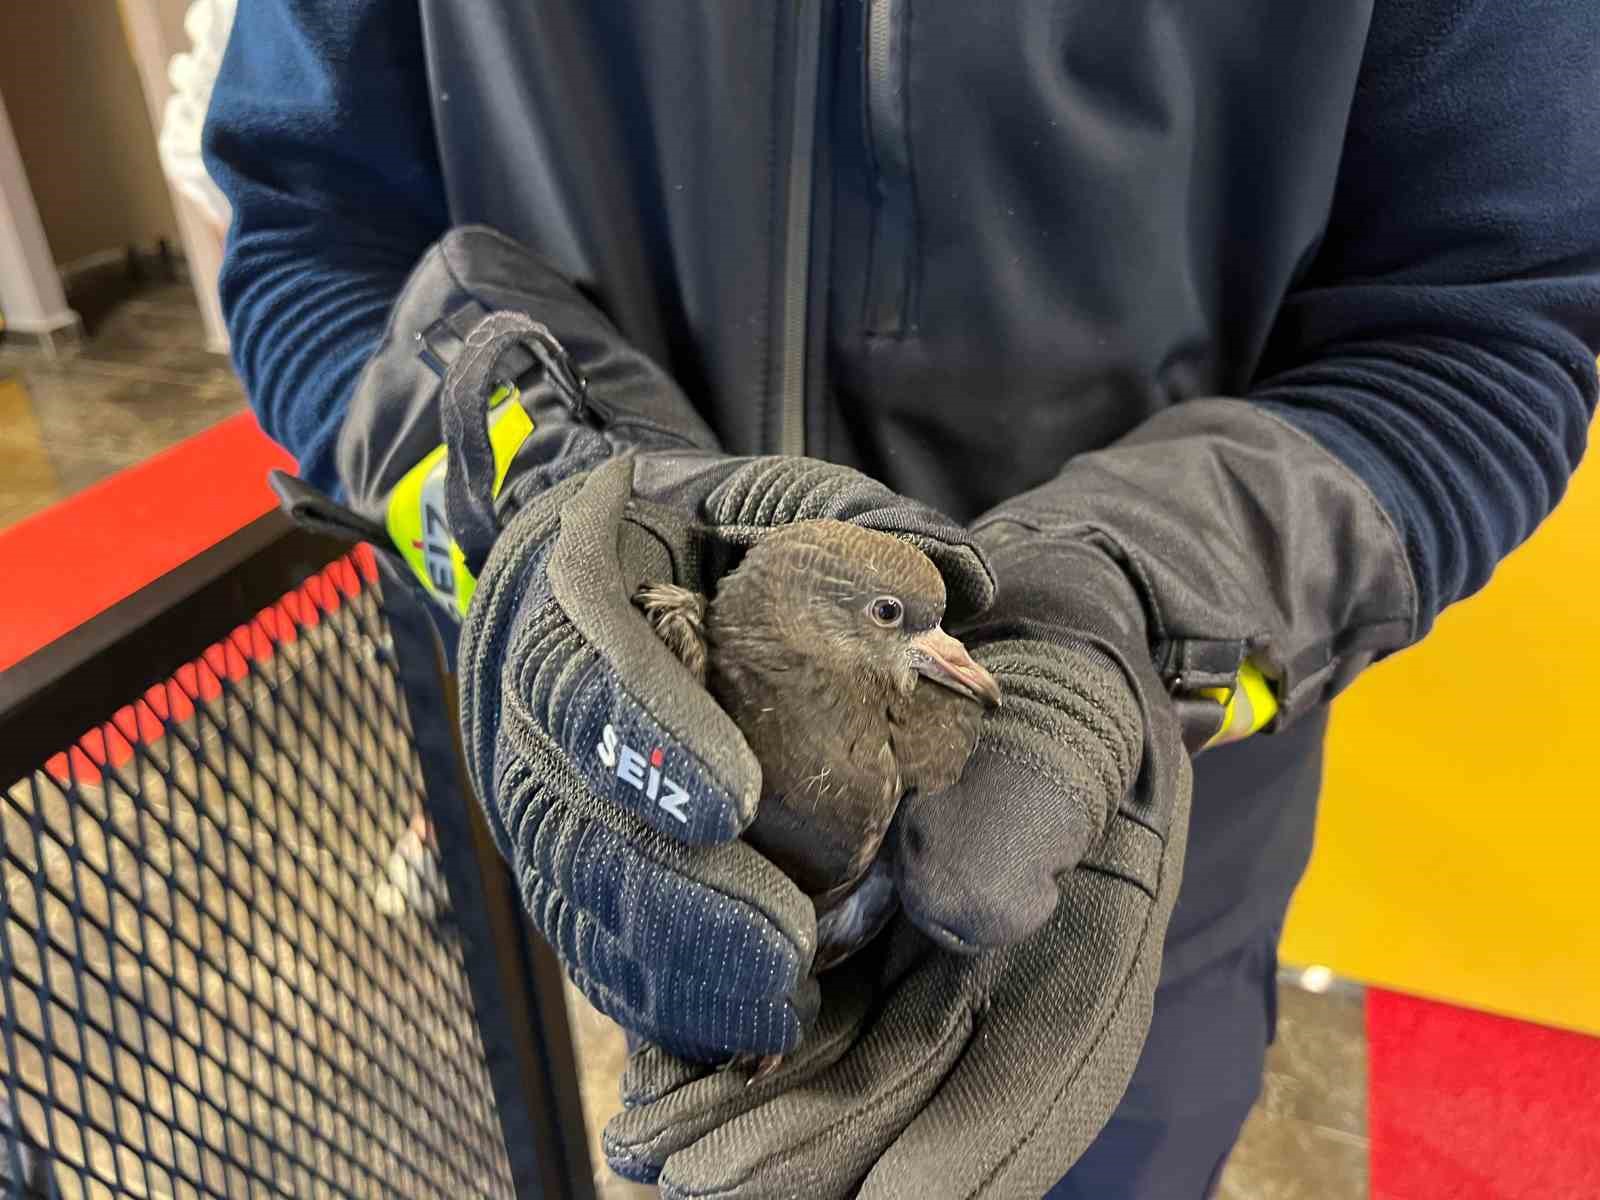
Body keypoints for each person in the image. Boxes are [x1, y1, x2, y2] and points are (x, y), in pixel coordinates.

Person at [203, 3, 1600, 1196]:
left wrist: (1132, 603)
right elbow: (311, 244)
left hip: (1124, 889)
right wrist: (541, 507)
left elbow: (1483, 331)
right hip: (655, 857)